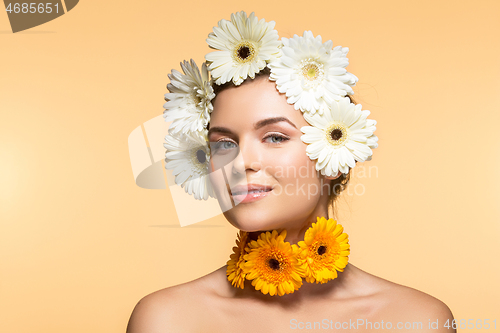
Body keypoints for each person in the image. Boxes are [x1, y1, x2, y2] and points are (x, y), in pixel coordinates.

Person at [127, 11, 456, 333]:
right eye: (224, 143)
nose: (240, 163)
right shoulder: (166, 320)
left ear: (335, 148)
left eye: (274, 137)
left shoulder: (418, 321)